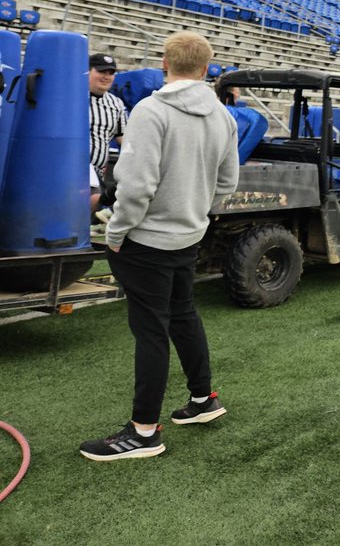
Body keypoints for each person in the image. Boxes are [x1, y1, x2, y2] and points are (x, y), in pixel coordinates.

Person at [80, 32, 239, 462]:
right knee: (182, 313)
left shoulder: (150, 111)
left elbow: (135, 188)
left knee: (151, 329)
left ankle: (144, 431)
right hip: (188, 234)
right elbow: (227, 183)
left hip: (146, 240)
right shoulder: (224, 116)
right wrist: (193, 211)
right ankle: (204, 399)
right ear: (206, 69)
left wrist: (116, 234)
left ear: (164, 62)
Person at [88, 53, 127, 180]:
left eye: (110, 73)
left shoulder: (116, 103)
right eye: (101, 71)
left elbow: (123, 138)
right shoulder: (72, 98)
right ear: (87, 71)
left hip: (98, 174)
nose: (106, 77)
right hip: (69, 170)